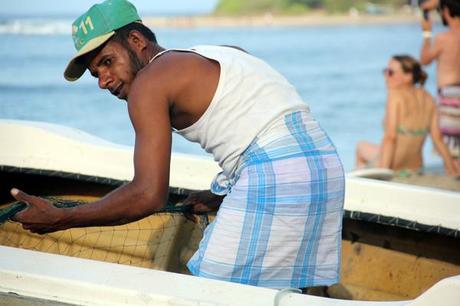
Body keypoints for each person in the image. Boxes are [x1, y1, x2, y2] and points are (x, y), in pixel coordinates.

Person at [9, 0, 345, 290]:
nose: (103, 81)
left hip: (277, 176)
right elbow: (261, 121)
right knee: (279, 292)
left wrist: (61, 218)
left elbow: (148, 194)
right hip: (324, 167)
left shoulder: (149, 84)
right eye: (96, 73)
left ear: (137, 40)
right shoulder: (220, 53)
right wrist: (222, 195)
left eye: (107, 62)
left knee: (207, 294)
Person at [355, 55, 459, 176]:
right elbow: (438, 139)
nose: (386, 76)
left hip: (393, 165)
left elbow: (391, 137)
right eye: (385, 71)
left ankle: (358, 188)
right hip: (415, 167)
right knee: (364, 147)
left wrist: (383, 171)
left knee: (360, 147)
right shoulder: (429, 98)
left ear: (408, 76)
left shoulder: (395, 96)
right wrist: (452, 169)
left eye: (390, 72)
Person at [420, 0, 460, 158]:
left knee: (449, 146)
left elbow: (424, 60)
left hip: (448, 94)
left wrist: (427, 33)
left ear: (446, 11)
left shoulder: (443, 38)